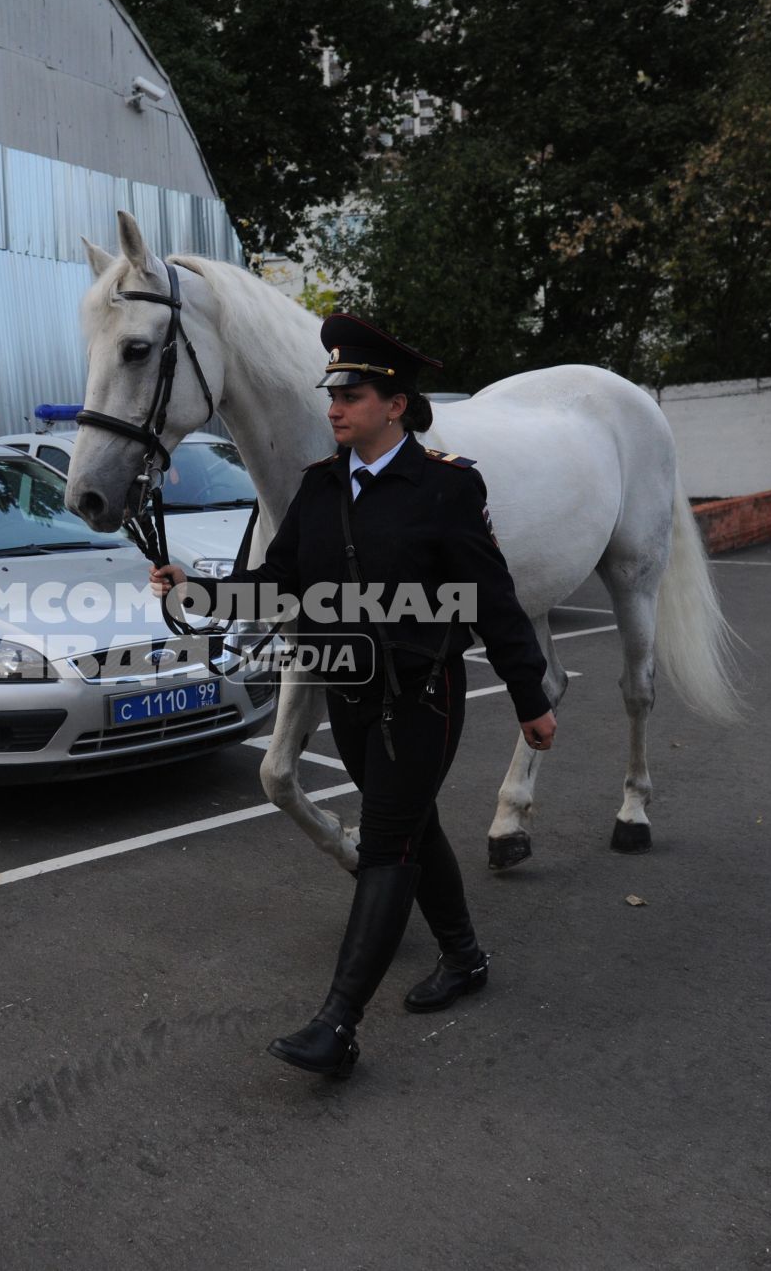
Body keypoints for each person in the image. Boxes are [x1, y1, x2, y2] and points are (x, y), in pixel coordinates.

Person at [149, 313, 557, 1079]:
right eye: (332, 391)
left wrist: (531, 697)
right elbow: (280, 584)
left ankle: (337, 1023)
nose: (335, 406)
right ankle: (465, 956)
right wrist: (198, 594)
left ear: (395, 404)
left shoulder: (446, 486)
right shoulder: (321, 486)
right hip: (353, 696)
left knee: (388, 843)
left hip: (423, 696)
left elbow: (493, 599)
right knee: (414, 826)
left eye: (353, 393)